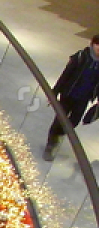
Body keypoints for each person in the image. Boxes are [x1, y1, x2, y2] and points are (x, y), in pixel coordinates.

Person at [43, 33, 99, 161]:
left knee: (74, 121)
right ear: (92, 44)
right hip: (68, 94)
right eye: (97, 44)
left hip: (83, 98)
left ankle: (58, 134)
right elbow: (65, 75)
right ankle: (51, 142)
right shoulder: (80, 57)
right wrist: (55, 91)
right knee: (60, 118)